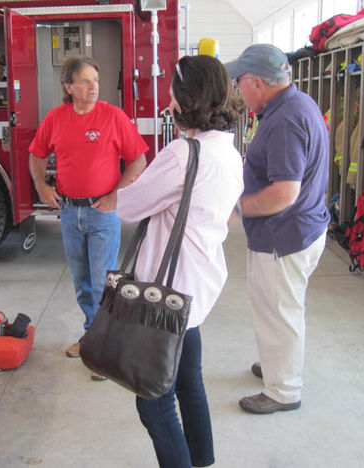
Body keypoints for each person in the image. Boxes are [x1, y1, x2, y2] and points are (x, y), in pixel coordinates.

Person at [117, 55, 244, 468]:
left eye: (171, 91)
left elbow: (129, 206)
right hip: (196, 286)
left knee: (153, 404)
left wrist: (140, 184)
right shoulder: (228, 152)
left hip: (165, 292)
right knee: (190, 384)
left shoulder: (182, 153)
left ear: (185, 98)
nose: (167, 99)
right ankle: (203, 461)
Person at [224, 44, 330, 414]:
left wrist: (236, 207)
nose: (238, 89)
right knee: (277, 308)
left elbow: (284, 193)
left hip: (283, 237)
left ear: (256, 82)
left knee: (279, 311)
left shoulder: (285, 120)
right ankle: (276, 364)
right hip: (300, 229)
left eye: (239, 81)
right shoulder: (294, 105)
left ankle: (283, 390)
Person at [28, 56, 148, 380]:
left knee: (102, 284)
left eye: (95, 79)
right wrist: (41, 186)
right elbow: (36, 154)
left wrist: (115, 196)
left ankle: (107, 349)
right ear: (68, 87)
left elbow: (138, 160)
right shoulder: (55, 119)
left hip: (102, 214)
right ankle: (91, 336)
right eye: (84, 81)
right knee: (82, 284)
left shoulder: (113, 116)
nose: (92, 86)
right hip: (69, 213)